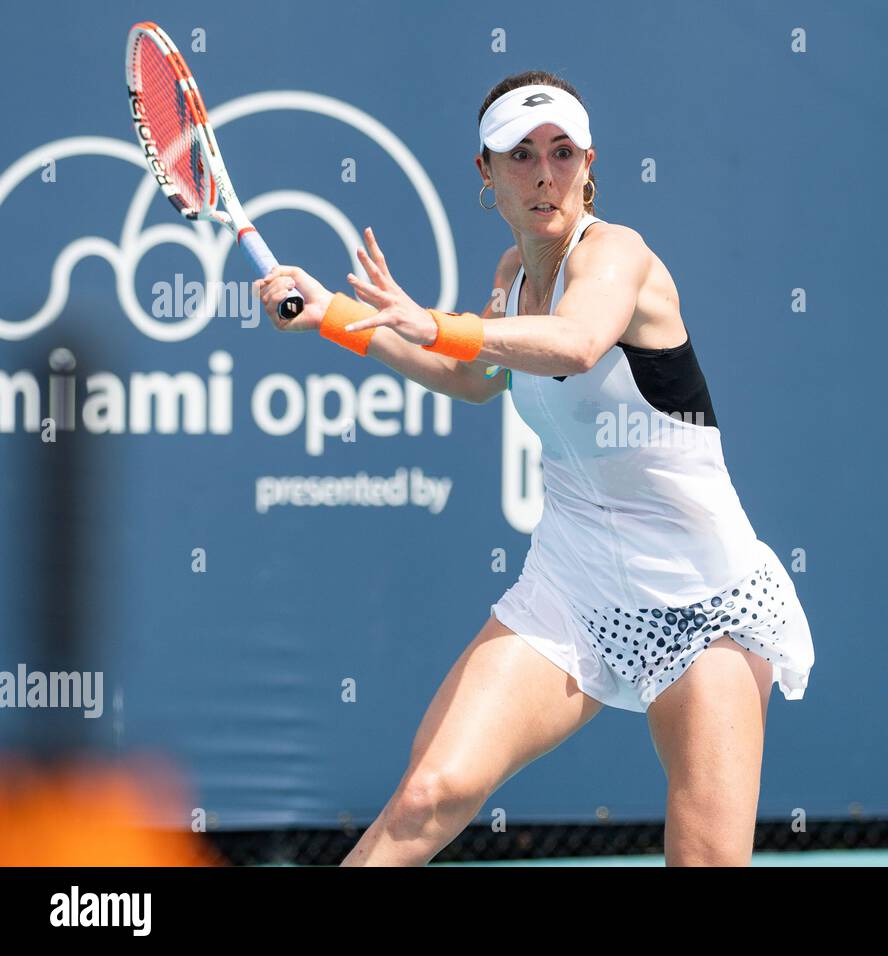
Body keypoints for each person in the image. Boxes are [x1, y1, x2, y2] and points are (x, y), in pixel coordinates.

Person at [253, 70, 814, 866]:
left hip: (705, 600)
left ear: (590, 162)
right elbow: (476, 379)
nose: (545, 173)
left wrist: (442, 325)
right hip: (573, 587)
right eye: (520, 155)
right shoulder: (510, 280)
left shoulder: (619, 254)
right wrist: (332, 316)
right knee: (429, 793)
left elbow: (577, 342)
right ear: (486, 173)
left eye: (561, 152)